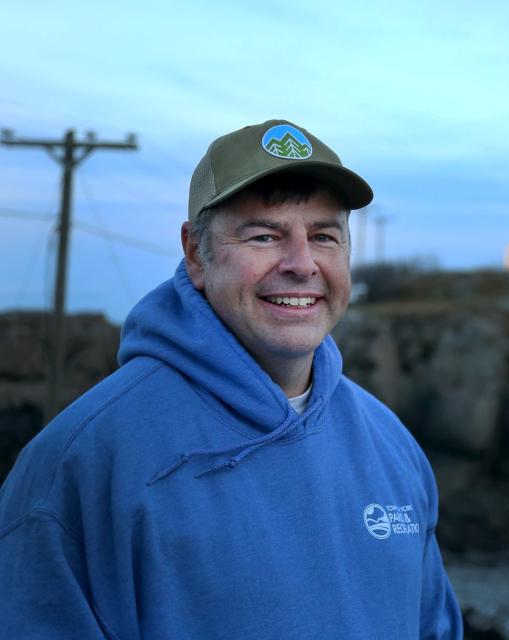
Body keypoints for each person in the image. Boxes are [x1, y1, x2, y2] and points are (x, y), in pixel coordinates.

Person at [0, 120, 463, 639]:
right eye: (264, 235)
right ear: (197, 253)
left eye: (324, 236)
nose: (301, 265)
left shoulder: (391, 444)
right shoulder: (82, 463)